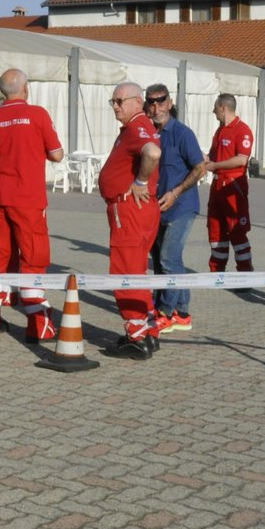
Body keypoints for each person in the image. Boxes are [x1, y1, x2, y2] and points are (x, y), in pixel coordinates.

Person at [0, 69, 65, 339]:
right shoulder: (38, 114)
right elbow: (57, 155)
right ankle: (39, 325)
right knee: (33, 258)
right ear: (25, 88)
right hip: (27, 198)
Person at [98, 83, 162, 359]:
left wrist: (140, 180)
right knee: (136, 271)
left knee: (125, 271)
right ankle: (148, 331)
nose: (115, 106)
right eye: (112, 101)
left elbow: (153, 153)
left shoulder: (137, 127)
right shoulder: (136, 127)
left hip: (129, 210)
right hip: (136, 210)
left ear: (137, 102)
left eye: (119, 100)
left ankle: (136, 336)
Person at [145, 84, 204, 335]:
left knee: (169, 257)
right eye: (152, 102)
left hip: (181, 206)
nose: (157, 107)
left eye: (161, 101)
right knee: (162, 261)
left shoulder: (182, 133)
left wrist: (176, 191)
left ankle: (166, 312)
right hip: (156, 207)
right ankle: (181, 312)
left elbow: (200, 168)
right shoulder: (147, 131)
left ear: (170, 103)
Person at [205, 94, 255, 277]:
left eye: (215, 108)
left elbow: (241, 159)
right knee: (215, 229)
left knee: (237, 231)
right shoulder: (220, 130)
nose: (213, 111)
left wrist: (215, 166)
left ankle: (244, 275)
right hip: (217, 184)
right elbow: (212, 155)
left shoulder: (242, 130)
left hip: (234, 187)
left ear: (222, 108)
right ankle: (216, 272)